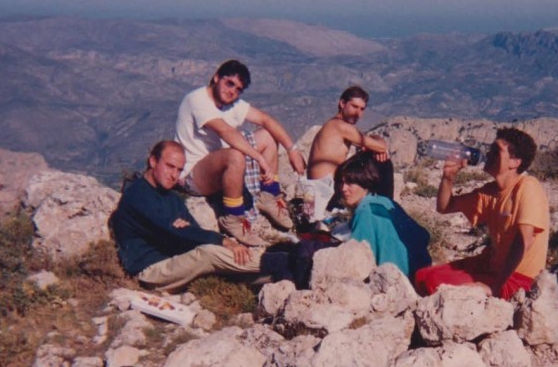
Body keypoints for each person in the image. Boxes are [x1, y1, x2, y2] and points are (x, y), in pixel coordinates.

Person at [175, 59, 306, 246]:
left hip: (218, 162)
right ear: (216, 77)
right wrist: (259, 158)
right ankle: (233, 218)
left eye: (238, 89)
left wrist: (292, 149)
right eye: (229, 84)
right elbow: (226, 132)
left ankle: (268, 196)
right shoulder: (197, 100)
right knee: (235, 154)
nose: (232, 92)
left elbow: (265, 120)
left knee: (268, 135)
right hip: (193, 174)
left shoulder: (232, 103)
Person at [414, 127, 550, 300]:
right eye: (491, 149)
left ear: (515, 162)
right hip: (491, 266)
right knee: (422, 276)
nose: (489, 154)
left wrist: (494, 287)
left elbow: (524, 241)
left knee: (436, 283)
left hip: (516, 278)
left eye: (497, 151)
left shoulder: (527, 186)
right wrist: (448, 177)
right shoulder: (491, 191)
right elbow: (444, 207)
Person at [111, 141, 260, 292]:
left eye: (179, 170)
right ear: (153, 161)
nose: (174, 175)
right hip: (151, 270)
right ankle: (267, 263)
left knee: (230, 268)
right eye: (169, 166)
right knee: (208, 254)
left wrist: (186, 230)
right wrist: (223, 240)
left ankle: (274, 269)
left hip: (176, 260)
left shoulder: (171, 198)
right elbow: (174, 231)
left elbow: (193, 231)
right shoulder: (137, 195)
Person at [301, 86, 392, 221]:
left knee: (367, 158)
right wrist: (379, 147)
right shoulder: (340, 126)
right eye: (354, 107)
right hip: (325, 193)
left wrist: (377, 145)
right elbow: (379, 146)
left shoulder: (336, 125)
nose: (358, 114)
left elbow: (369, 141)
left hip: (319, 192)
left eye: (362, 109)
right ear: (342, 103)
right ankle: (386, 212)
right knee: (381, 162)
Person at [336, 152, 430, 278]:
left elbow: (355, 256)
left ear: (364, 182)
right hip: (416, 273)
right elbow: (422, 234)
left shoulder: (365, 212)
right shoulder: (385, 201)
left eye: (349, 183)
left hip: (392, 280)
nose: (343, 189)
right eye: (341, 183)